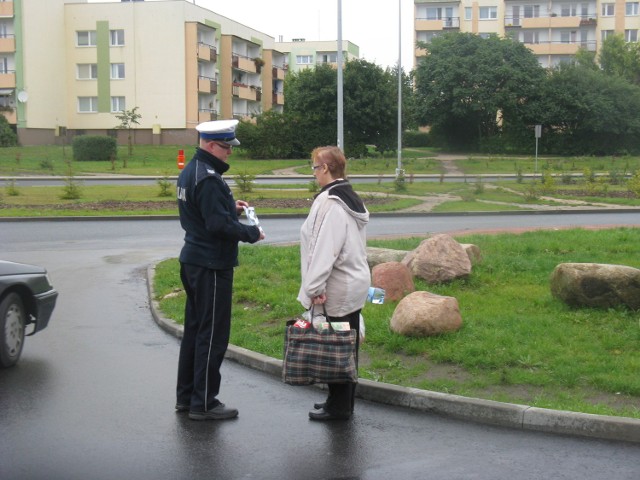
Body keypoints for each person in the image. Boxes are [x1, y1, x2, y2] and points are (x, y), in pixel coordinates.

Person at [175, 119, 265, 421]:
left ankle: (187, 398)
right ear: (211, 145)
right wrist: (251, 233)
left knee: (195, 332)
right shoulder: (210, 179)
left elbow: (204, 212)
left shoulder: (191, 171)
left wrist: (230, 207)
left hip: (193, 261)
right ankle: (204, 403)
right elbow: (217, 226)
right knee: (212, 335)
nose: (229, 153)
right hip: (211, 265)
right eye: (226, 147)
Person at [297, 146, 370, 421]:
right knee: (345, 343)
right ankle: (337, 400)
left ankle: (340, 408)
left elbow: (324, 249)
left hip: (338, 287)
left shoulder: (332, 203)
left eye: (315, 167)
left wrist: (314, 288)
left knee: (339, 346)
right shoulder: (348, 196)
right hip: (352, 282)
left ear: (326, 168)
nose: (314, 173)